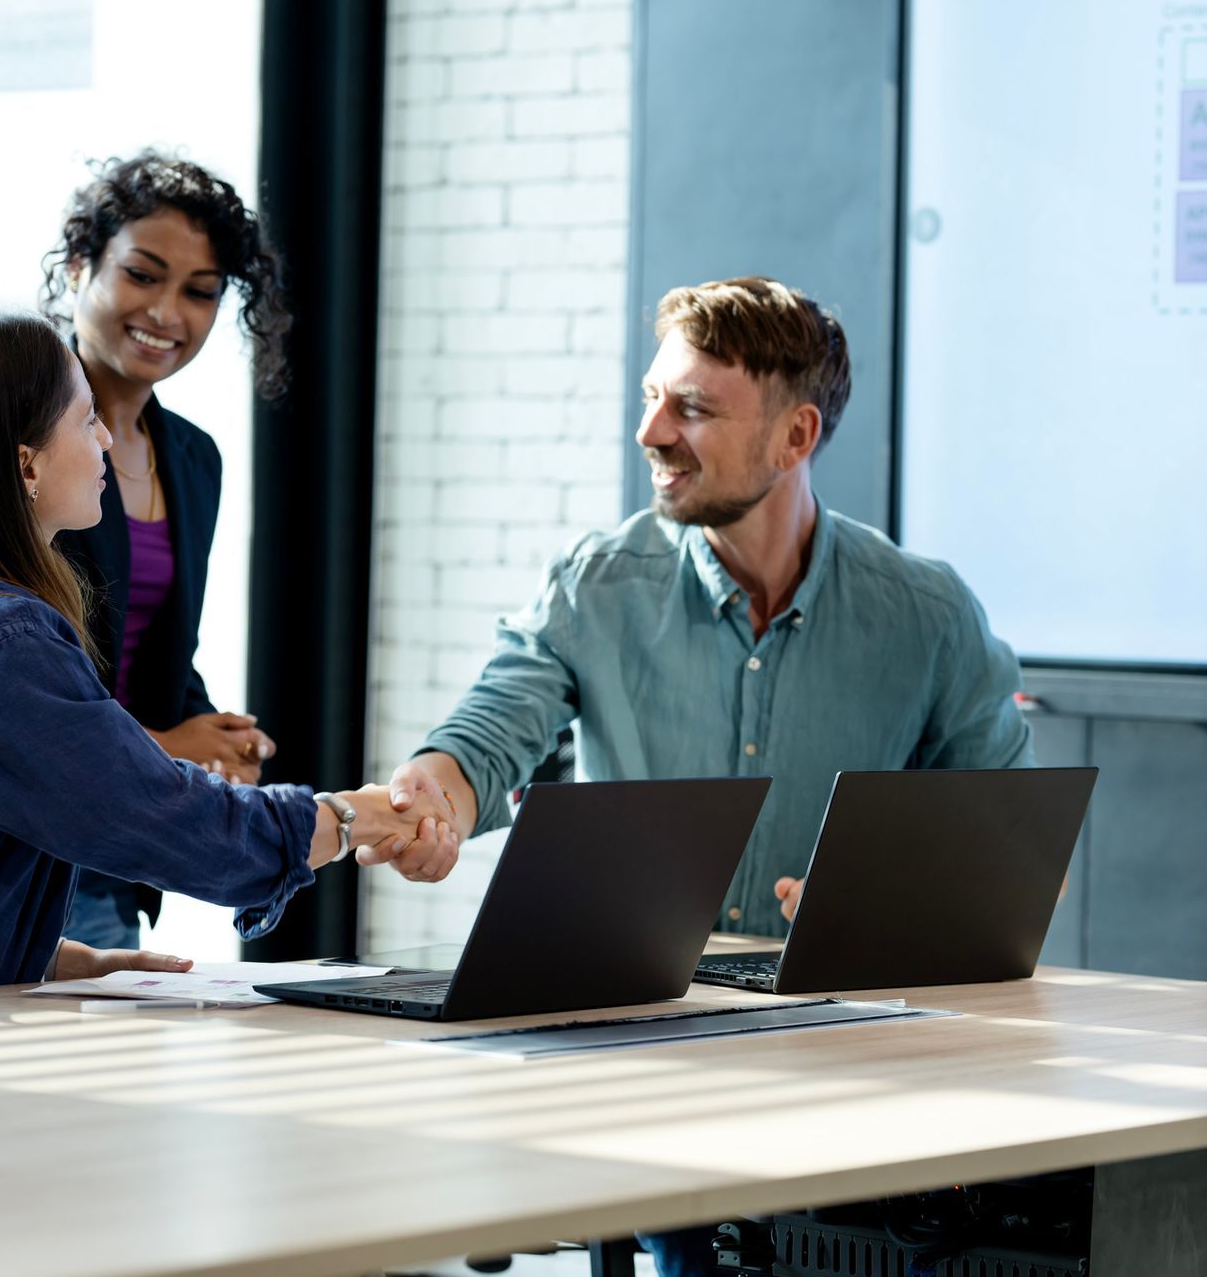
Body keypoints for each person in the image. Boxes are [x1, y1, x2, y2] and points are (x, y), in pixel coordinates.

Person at [369, 277, 1035, 1276]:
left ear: (794, 435)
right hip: (644, 1040)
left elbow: (1017, 846)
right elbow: (492, 728)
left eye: (691, 408)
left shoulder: (927, 615)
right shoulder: (596, 582)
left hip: (839, 1045)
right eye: (650, 396)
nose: (650, 431)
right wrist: (431, 794)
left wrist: (891, 906)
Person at [0, 309, 458, 1003]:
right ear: (26, 464)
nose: (107, 446)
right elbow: (179, 827)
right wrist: (351, 815)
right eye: (87, 420)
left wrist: (47, 957)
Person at [37, 151, 287, 950]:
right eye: (142, 275)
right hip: (15, 852)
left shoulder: (193, 458)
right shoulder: (13, 434)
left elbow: (148, 651)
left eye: (201, 292)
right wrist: (161, 748)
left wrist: (210, 734)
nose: (168, 312)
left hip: (111, 855)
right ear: (80, 267)